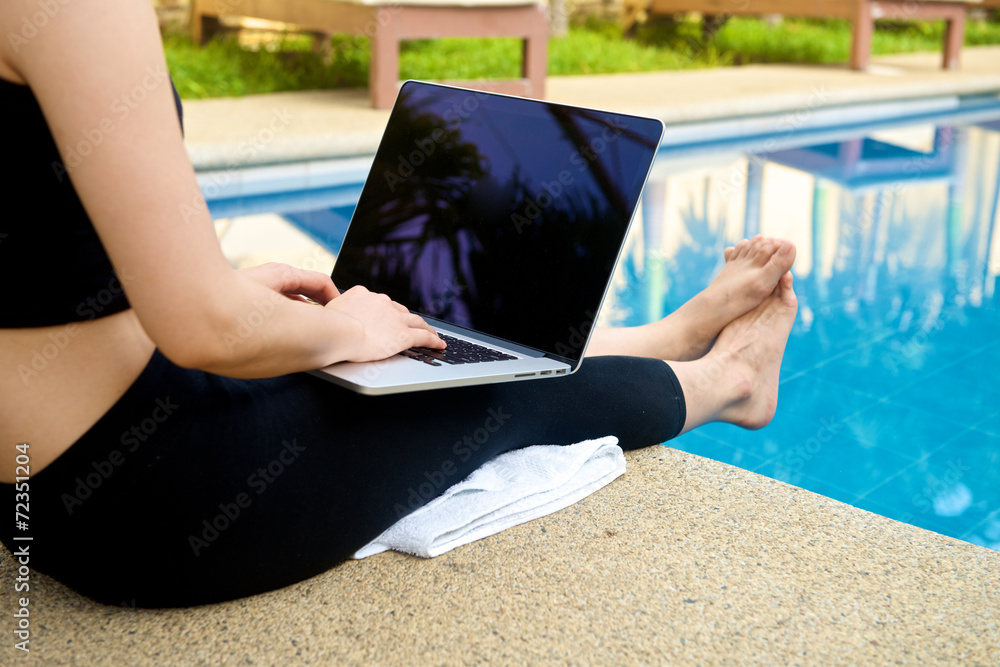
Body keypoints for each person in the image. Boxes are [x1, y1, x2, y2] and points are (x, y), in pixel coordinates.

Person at [0, 0, 798, 608]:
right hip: (138, 503)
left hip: (38, 487)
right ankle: (729, 379)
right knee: (496, 392)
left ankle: (672, 331)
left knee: (401, 350)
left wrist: (216, 293)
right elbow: (204, 330)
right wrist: (337, 322)